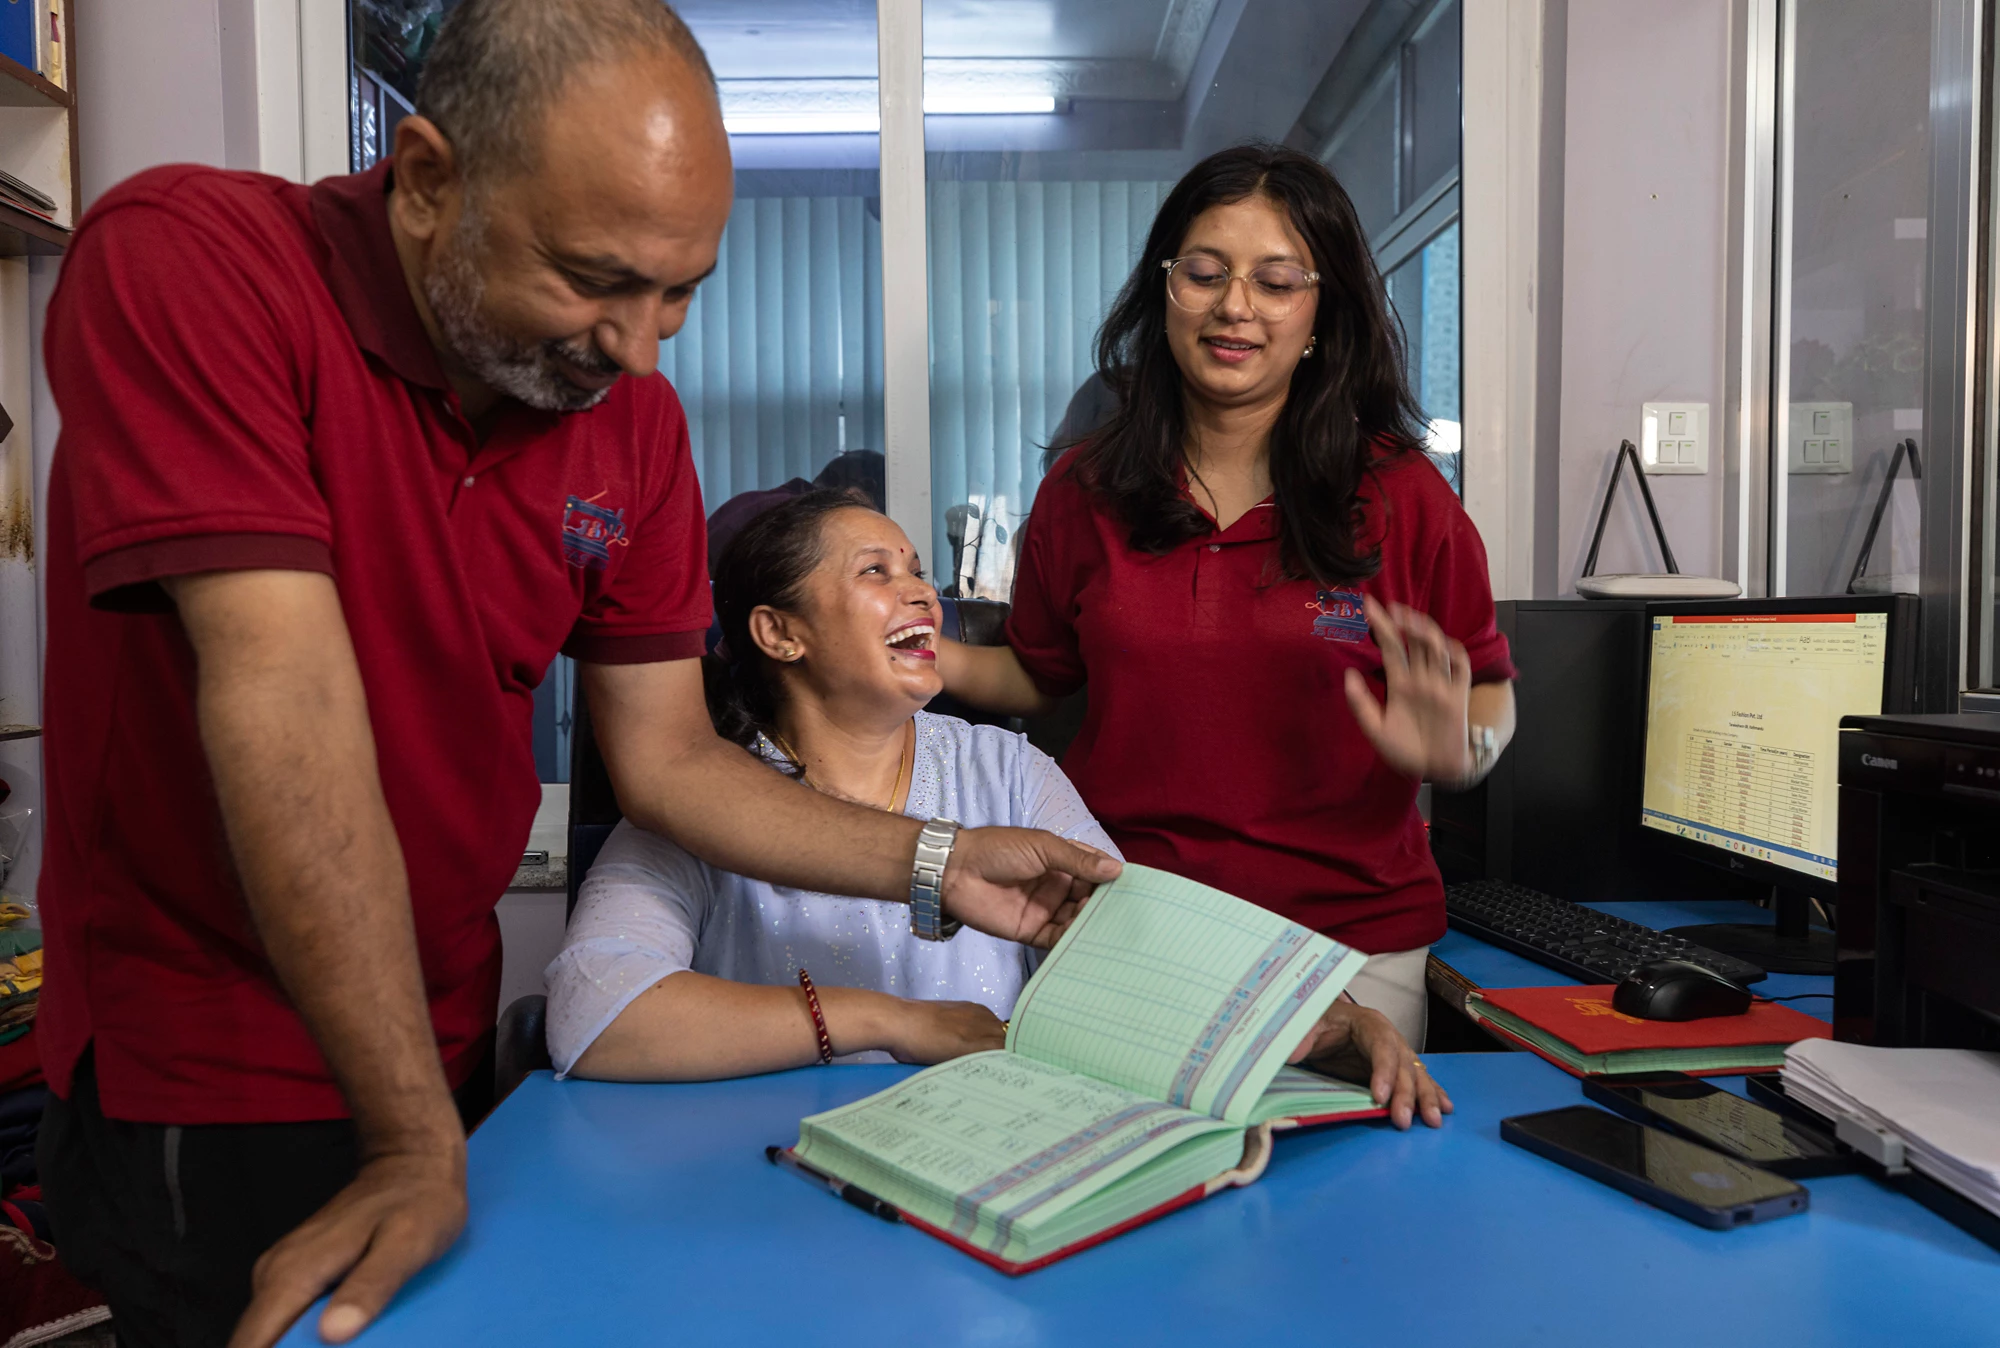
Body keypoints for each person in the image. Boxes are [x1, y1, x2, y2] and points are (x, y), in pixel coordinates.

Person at [32, 4, 1114, 1347]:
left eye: (682, 295)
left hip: (433, 1034)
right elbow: (286, 703)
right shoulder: (199, 265)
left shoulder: (635, 430)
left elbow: (665, 763)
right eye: (597, 282)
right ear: (429, 181)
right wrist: (415, 1140)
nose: (643, 351)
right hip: (212, 1059)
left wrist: (937, 862)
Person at [547, 491, 1444, 1128]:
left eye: (918, 569)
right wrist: (891, 1022)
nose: (920, 592)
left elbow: (1124, 954)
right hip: (756, 1168)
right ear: (779, 632)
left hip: (985, 1151)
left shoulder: (1005, 771)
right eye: (875, 572)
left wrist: (1318, 1023)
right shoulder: (705, 798)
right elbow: (594, 1013)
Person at [940, 143, 1518, 1053]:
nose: (1235, 306)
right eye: (1204, 273)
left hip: (1346, 944)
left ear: (1322, 309)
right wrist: (916, 653)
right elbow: (1039, 674)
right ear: (1164, 291)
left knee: (1330, 1192)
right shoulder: (1087, 487)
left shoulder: (1404, 497)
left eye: (1277, 281)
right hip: (1123, 920)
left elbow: (1484, 686)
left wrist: (1458, 750)